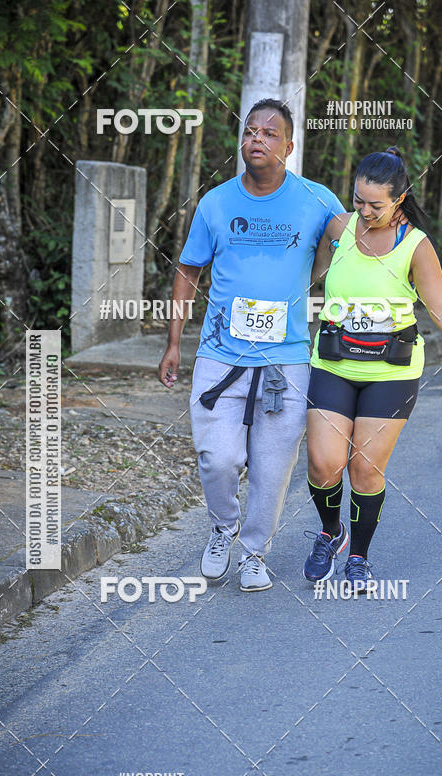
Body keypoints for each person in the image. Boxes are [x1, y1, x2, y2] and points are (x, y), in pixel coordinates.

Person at [158, 98, 345, 591]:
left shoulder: (317, 200)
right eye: (250, 131)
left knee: (273, 469)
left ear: (289, 146)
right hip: (220, 356)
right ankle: (223, 528)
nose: (256, 138)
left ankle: (255, 552)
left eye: (269, 132)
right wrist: (174, 342)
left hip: (286, 361)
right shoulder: (216, 203)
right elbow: (187, 270)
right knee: (216, 458)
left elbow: (358, 244)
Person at [303, 146, 442, 586]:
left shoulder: (415, 245)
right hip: (334, 362)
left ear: (400, 198)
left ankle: (358, 556)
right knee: (323, 464)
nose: (364, 211)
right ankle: (330, 532)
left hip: (391, 372)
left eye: (376, 204)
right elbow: (306, 276)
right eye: (358, 200)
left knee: (364, 469)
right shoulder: (339, 228)